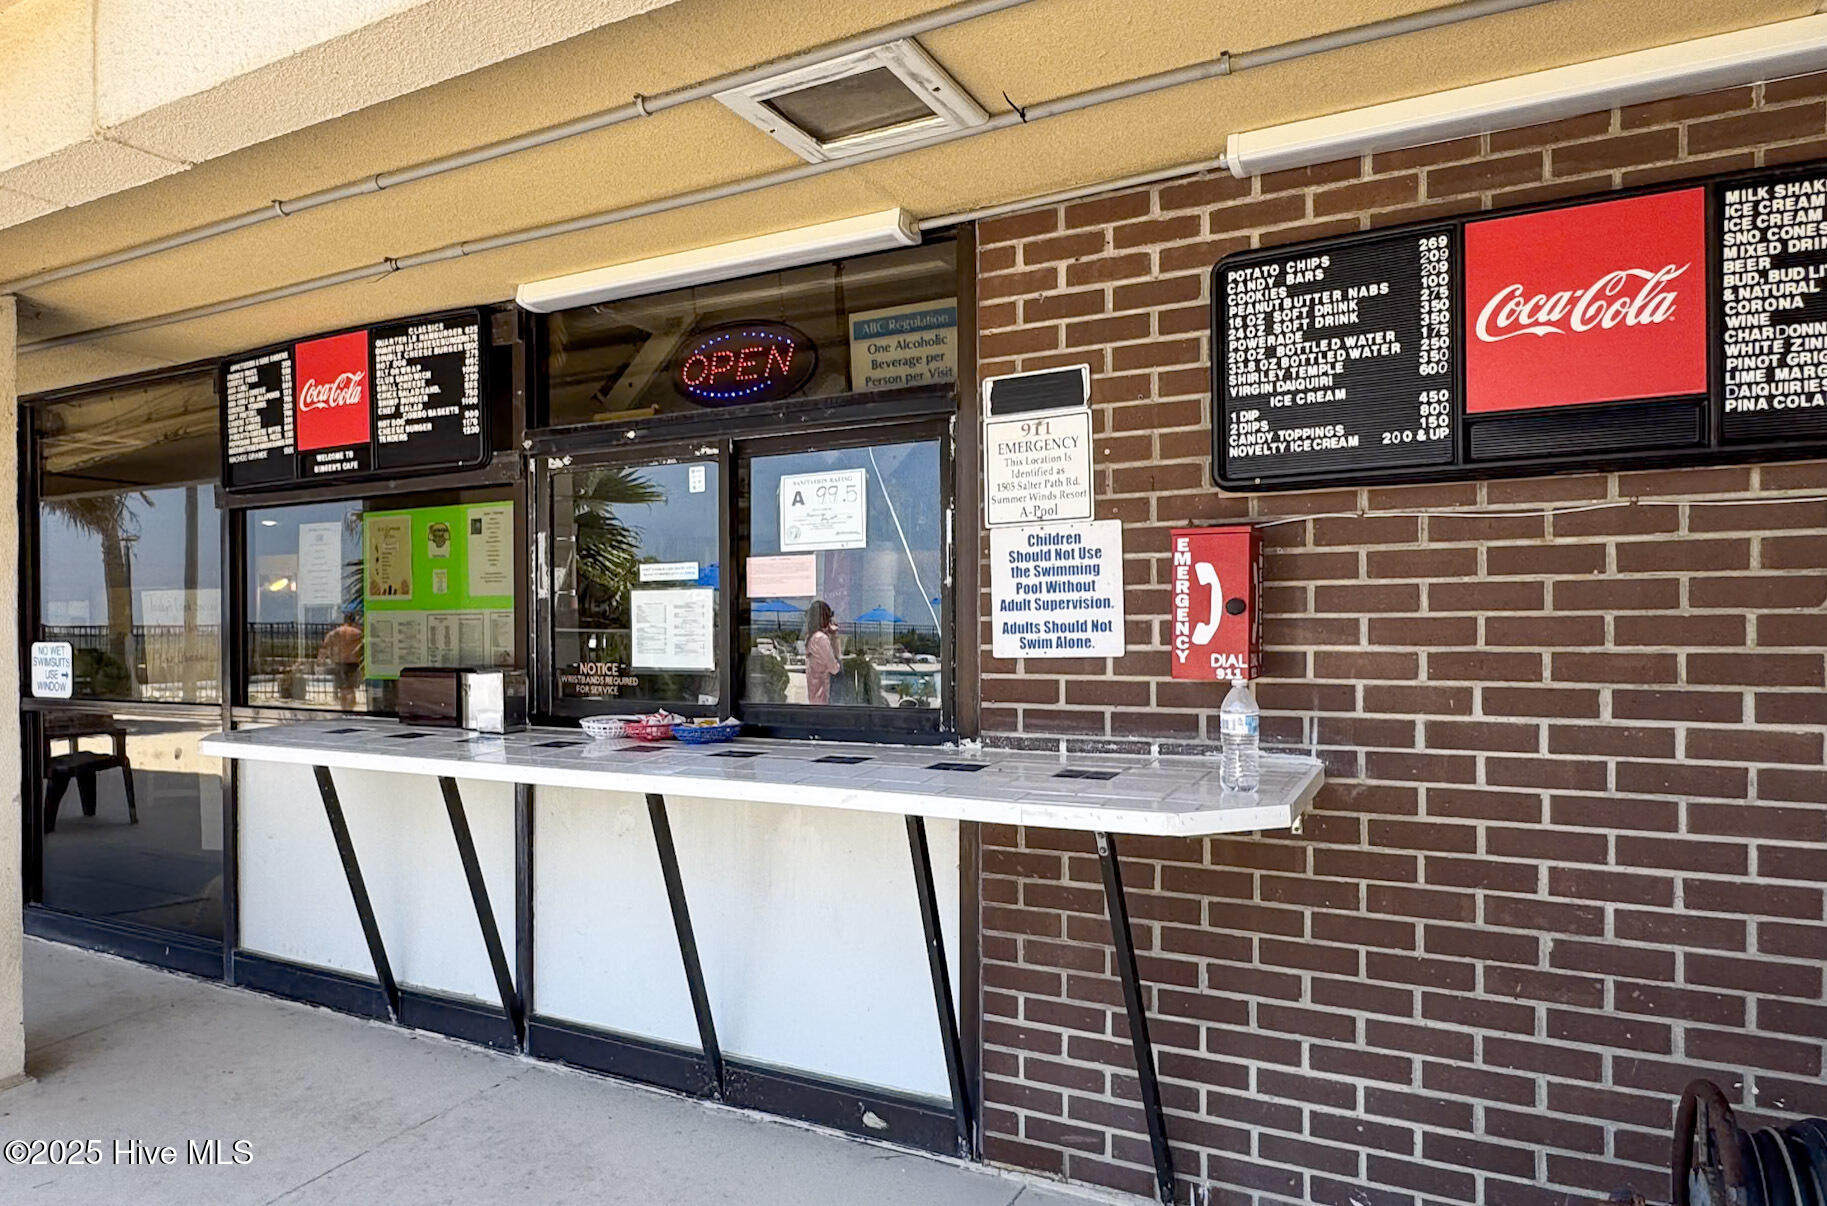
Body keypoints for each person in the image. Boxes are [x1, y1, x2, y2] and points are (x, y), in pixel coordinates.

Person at [317, 606, 364, 711]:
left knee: (343, 689)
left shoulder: (336, 633)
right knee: (351, 689)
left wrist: (322, 659)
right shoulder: (357, 633)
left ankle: (344, 709)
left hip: (339, 662)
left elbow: (325, 646)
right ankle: (350, 709)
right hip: (353, 662)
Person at [804, 601, 841, 706]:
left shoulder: (811, 637)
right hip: (824, 696)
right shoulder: (821, 639)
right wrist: (835, 636)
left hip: (814, 694)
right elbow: (835, 668)